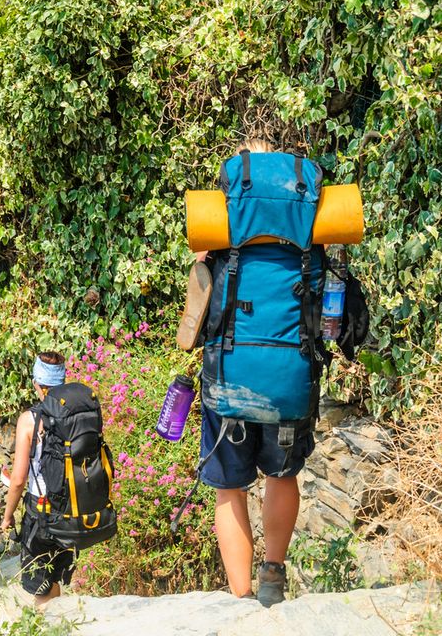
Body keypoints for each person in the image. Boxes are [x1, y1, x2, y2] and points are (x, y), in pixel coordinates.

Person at [193, 137, 317, 607]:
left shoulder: (219, 230)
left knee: (230, 487)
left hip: (230, 377)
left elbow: (197, 315)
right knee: (282, 476)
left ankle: (241, 598)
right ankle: (272, 575)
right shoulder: (308, 224)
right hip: (291, 375)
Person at [0, 351, 75, 608]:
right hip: (71, 507)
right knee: (54, 578)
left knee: (38, 586)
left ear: (37, 383)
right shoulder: (77, 413)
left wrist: (8, 515)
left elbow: (19, 479)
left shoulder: (29, 420)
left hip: (40, 508)